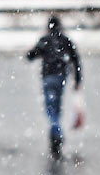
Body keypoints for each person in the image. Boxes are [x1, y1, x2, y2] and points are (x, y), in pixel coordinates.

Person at [25, 14, 82, 160]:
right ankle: (56, 133)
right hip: (61, 77)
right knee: (56, 105)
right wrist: (77, 79)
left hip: (48, 77)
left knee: (50, 107)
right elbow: (75, 60)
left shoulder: (45, 40)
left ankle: (55, 132)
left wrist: (32, 52)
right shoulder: (65, 40)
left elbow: (31, 55)